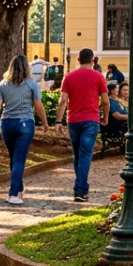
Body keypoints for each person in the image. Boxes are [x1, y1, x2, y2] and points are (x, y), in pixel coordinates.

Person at [0, 55, 49, 205]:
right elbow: (38, 105)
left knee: (14, 157)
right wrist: (45, 122)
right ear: (26, 67)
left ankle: (18, 188)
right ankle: (13, 194)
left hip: (6, 124)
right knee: (19, 159)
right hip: (25, 124)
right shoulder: (32, 84)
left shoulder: (3, 84)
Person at [55, 48, 109, 202]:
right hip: (91, 120)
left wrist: (58, 121)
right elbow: (105, 101)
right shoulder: (98, 77)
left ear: (78, 60)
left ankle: (81, 187)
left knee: (77, 154)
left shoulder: (69, 77)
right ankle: (80, 190)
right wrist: (105, 117)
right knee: (85, 154)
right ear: (93, 60)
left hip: (73, 120)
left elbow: (63, 101)